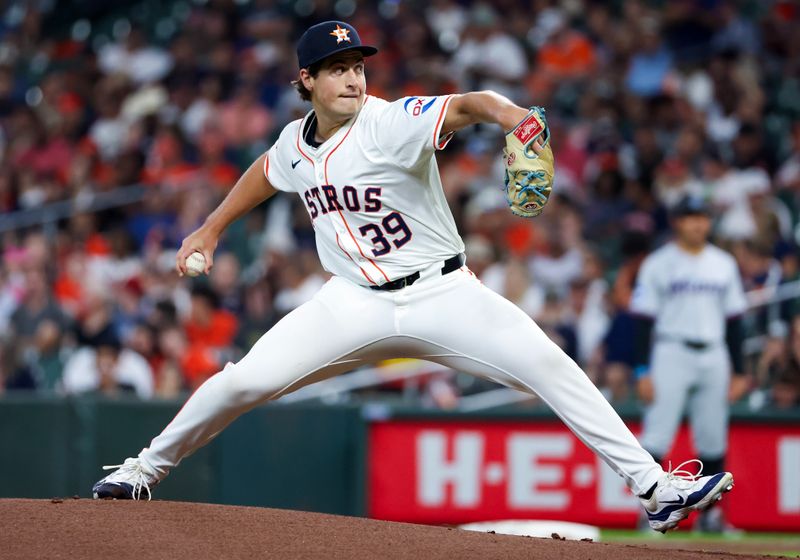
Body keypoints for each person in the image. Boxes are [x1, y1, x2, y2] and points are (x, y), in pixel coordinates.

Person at [92, 20, 734, 533]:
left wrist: (513, 118)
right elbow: (267, 170)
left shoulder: (391, 120)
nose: (352, 78)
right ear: (306, 80)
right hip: (350, 303)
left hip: (443, 292)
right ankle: (142, 469)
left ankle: (655, 488)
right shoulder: (295, 140)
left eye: (357, 67)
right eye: (337, 69)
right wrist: (209, 229)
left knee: (550, 365)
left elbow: (468, 104)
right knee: (243, 382)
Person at [630, 195, 748, 533]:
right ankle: (649, 510)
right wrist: (642, 369)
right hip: (671, 351)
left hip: (714, 352)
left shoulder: (723, 262)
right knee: (656, 436)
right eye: (690, 217)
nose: (697, 223)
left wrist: (739, 371)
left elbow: (736, 321)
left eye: (702, 217)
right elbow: (642, 321)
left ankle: (711, 517)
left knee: (712, 439)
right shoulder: (658, 263)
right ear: (677, 222)